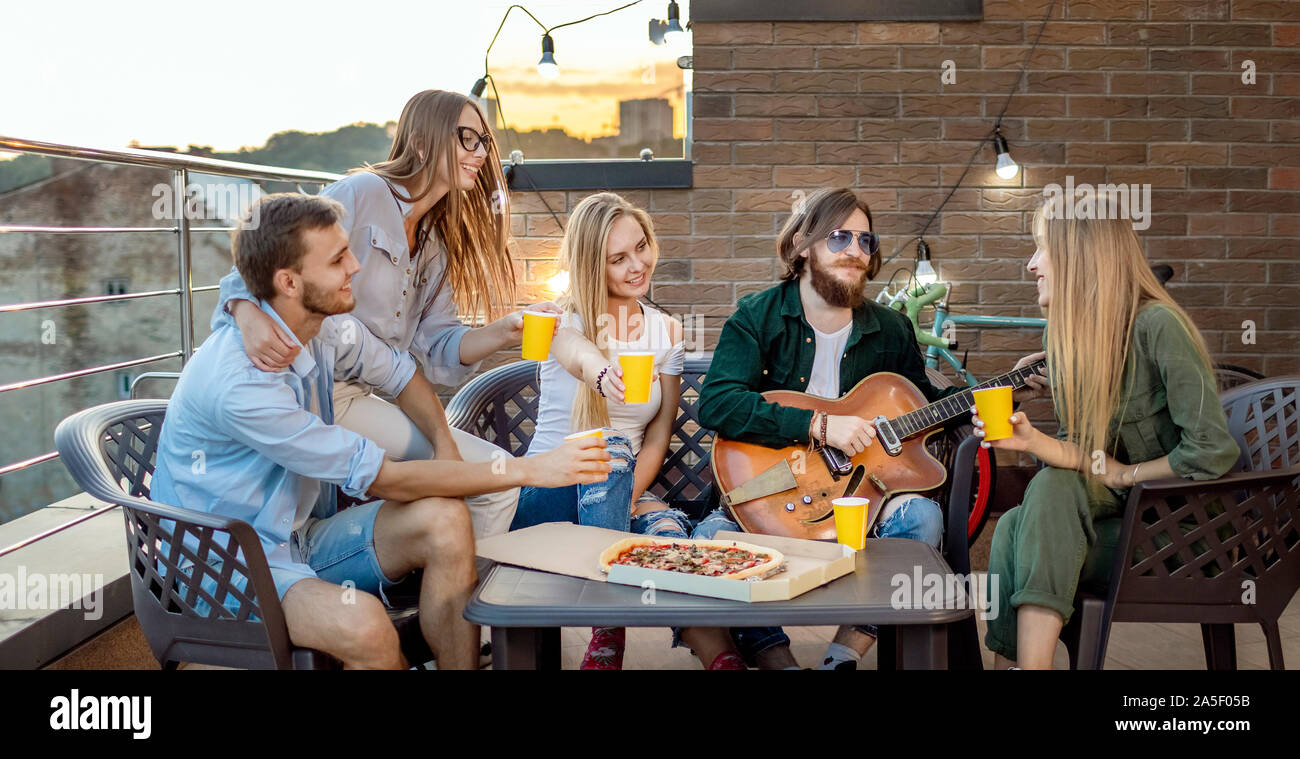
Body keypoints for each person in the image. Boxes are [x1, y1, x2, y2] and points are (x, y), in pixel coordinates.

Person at [151, 194, 610, 669]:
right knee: (366, 625)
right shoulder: (243, 385)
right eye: (337, 259)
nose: (355, 266)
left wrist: (445, 446)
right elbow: (390, 480)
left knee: (446, 520)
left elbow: (401, 373)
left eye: (348, 250)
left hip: (298, 538)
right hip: (221, 565)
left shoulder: (324, 328)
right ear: (288, 282)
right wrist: (531, 469)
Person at [215, 90, 556, 539]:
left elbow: (438, 349)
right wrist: (245, 310)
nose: (478, 153)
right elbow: (268, 254)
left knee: (492, 478)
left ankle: (451, 585)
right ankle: (471, 602)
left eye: (484, 142)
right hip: (302, 387)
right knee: (494, 481)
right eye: (465, 138)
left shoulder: (434, 242)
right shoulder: (364, 191)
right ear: (420, 141)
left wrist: (503, 332)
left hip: (359, 396)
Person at [696, 187, 993, 670]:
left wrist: (1007, 392)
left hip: (864, 500)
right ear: (802, 246)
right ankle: (777, 661)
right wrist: (818, 425)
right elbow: (717, 403)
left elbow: (925, 406)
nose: (855, 250)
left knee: (922, 519)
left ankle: (841, 659)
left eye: (865, 240)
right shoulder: (758, 315)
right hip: (771, 491)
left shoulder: (891, 329)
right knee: (711, 541)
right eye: (839, 237)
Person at [974, 197, 1239, 670]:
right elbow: (1082, 463)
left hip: (1187, 536)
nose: (1031, 264)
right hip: (1118, 525)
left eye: (1041, 249)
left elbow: (1211, 451)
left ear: (1081, 256)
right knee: (1025, 514)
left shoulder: (1158, 326)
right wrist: (1032, 440)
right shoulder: (1068, 340)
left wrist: (1123, 474)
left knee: (1019, 532)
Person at [507, 192, 748, 669]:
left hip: (622, 491)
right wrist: (602, 377)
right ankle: (608, 629)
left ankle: (723, 659)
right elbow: (578, 356)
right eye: (619, 258)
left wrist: (626, 494)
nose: (638, 265)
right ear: (592, 265)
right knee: (610, 446)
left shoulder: (668, 332)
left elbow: (659, 435)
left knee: (665, 532)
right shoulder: (558, 322)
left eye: (642, 247)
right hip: (545, 497)